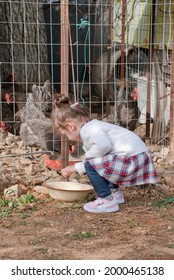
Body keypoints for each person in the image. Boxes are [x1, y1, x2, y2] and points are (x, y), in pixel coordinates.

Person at [52, 94, 157, 213]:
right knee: (97, 161)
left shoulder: (88, 130)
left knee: (92, 163)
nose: (67, 137)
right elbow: (100, 155)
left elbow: (102, 148)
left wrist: (85, 159)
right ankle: (114, 193)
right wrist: (76, 166)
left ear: (70, 126)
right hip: (138, 158)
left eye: (65, 134)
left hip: (133, 160)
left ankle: (106, 200)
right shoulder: (92, 127)